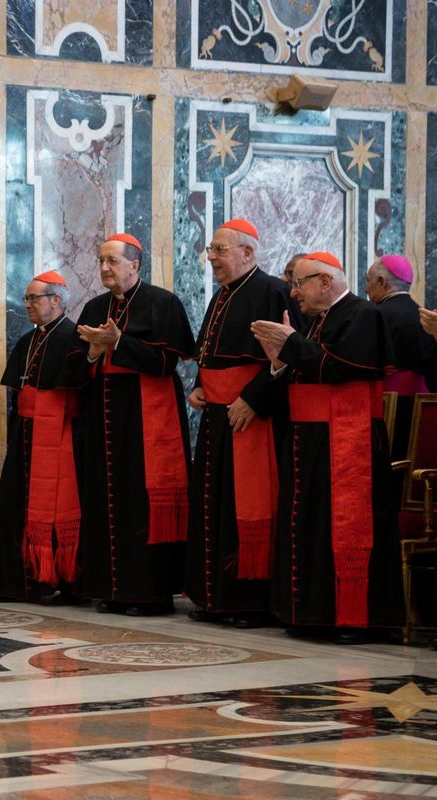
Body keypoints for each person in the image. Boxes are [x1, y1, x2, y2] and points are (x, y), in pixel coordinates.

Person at [252, 251, 403, 644]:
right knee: (309, 524)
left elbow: (337, 370)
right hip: (310, 439)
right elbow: (307, 370)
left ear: (325, 281)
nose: (293, 291)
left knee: (337, 527)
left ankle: (350, 618)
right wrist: (278, 359)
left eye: (299, 283)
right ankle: (309, 612)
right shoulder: (318, 321)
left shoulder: (363, 315)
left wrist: (292, 344)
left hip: (346, 443)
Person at [75, 233, 194, 616]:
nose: (105, 268)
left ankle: (149, 593)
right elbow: (77, 364)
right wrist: (95, 350)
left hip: (146, 420)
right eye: (101, 261)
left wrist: (119, 341)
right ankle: (111, 589)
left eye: (112, 261)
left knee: (141, 503)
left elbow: (166, 364)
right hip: (103, 419)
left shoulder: (163, 303)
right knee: (106, 500)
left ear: (134, 265)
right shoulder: (94, 307)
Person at [184, 220, 295, 629]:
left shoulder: (272, 292)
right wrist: (199, 387)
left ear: (247, 253)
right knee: (214, 503)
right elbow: (209, 354)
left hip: (253, 416)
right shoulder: (221, 296)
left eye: (219, 250)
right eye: (211, 250)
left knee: (244, 506)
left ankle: (249, 602)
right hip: (217, 414)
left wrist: (253, 398)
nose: (211, 257)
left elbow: (286, 357)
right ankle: (214, 596)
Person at [0, 271, 87, 603]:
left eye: (34, 298)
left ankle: (59, 580)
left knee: (58, 508)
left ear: (56, 301)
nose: (27, 304)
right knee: (13, 507)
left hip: (60, 437)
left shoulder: (73, 338)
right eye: (27, 298)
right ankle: (18, 584)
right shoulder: (29, 340)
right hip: (25, 434)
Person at [365, 255, 432, 459]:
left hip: (386, 405)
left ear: (381, 282)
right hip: (424, 407)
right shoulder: (424, 315)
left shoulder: (373, 316)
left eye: (368, 281)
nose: (366, 289)